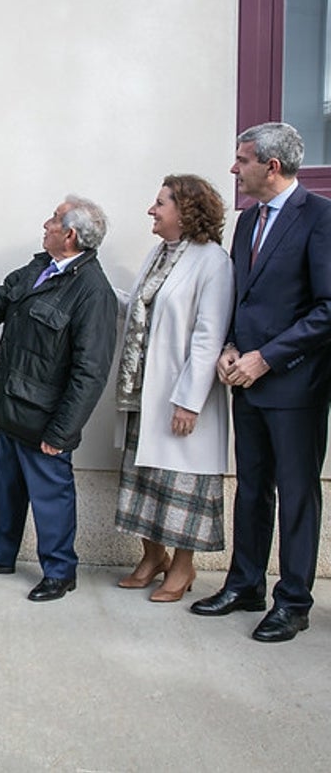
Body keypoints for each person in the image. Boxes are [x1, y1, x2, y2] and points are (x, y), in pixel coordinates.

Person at [192, 122, 331, 642]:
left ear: (271, 166)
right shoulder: (247, 222)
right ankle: (245, 583)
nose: (234, 168)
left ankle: (292, 602)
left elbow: (327, 308)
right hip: (245, 381)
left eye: (242, 159)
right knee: (251, 489)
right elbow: (239, 296)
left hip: (295, 386)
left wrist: (266, 359)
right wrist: (229, 347)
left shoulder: (319, 218)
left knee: (297, 496)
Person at [0, 195, 117, 601]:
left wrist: (61, 432)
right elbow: (3, 296)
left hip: (46, 419)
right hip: (13, 405)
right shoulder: (40, 266)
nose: (45, 224)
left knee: (51, 497)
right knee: (6, 486)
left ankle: (60, 572)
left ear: (70, 235)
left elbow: (90, 373)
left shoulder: (93, 292)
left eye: (54, 219)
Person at [113, 176, 234, 602]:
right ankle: (152, 557)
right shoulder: (158, 254)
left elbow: (209, 335)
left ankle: (182, 568)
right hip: (144, 391)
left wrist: (189, 400)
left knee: (181, 482)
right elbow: (141, 308)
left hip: (181, 394)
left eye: (160, 203)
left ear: (184, 211)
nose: (152, 209)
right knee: (145, 479)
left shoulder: (212, 261)